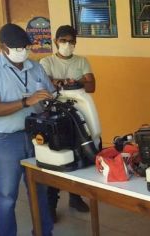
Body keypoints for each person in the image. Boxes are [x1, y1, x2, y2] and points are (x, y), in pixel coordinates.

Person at [0, 23, 54, 236]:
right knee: (6, 195)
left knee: (39, 190)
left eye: (25, 47)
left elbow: (50, 93)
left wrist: (49, 100)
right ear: (3, 47)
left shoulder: (35, 66)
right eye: (18, 48)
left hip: (36, 137)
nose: (23, 51)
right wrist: (26, 102)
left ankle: (43, 232)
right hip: (6, 140)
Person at [40, 25, 95, 222]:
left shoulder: (82, 61)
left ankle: (75, 197)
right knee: (56, 159)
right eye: (63, 40)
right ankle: (51, 205)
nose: (68, 45)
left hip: (79, 117)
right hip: (55, 117)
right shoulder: (46, 61)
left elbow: (92, 85)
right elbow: (46, 83)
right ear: (56, 41)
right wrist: (72, 82)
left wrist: (63, 82)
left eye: (72, 41)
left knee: (78, 156)